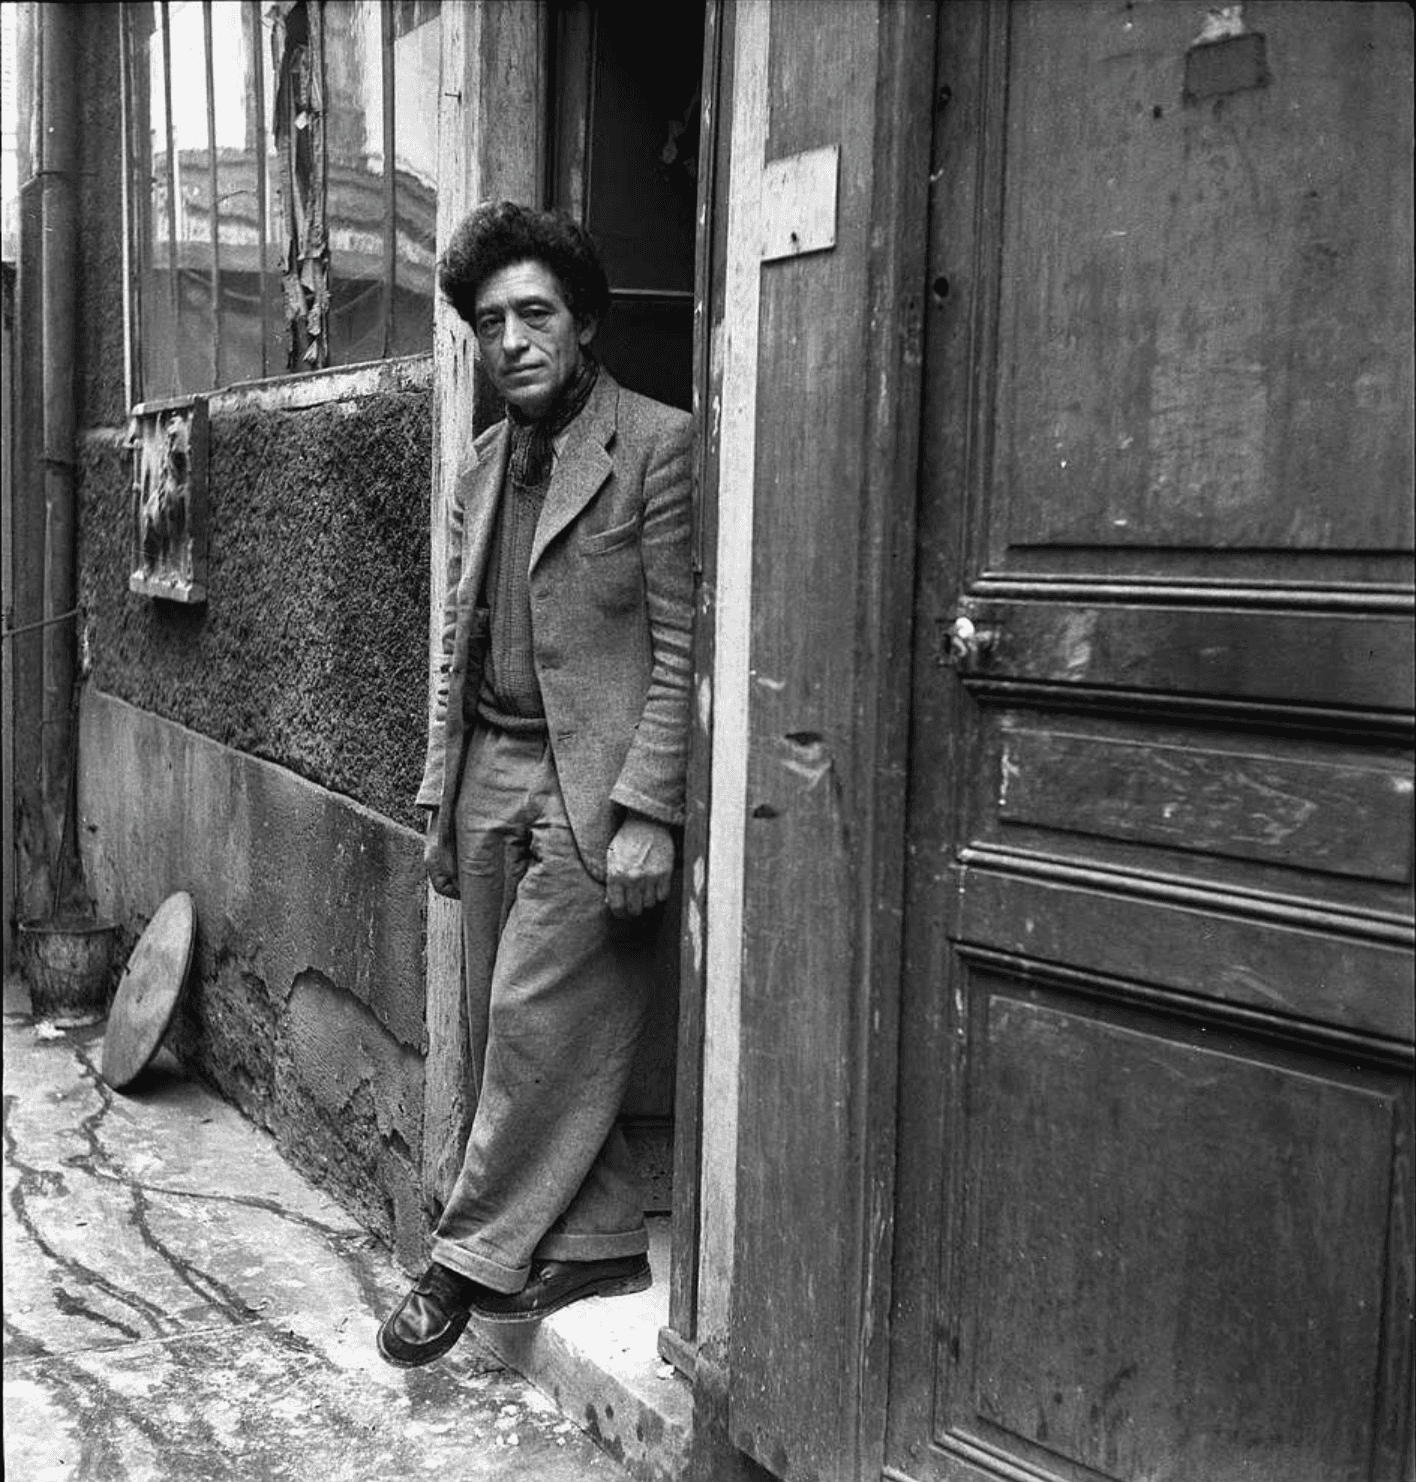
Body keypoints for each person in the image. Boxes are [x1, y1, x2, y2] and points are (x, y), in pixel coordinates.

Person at [377, 202, 692, 1369]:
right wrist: (434, 796)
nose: (513, 340)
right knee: (531, 1028)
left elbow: (684, 646)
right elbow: (452, 650)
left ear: (586, 323)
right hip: (488, 773)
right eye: (490, 322)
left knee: (527, 1019)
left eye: (536, 315)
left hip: (591, 788)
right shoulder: (476, 468)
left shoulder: (659, 444)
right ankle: (604, 1236)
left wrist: (651, 811)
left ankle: (460, 1263)